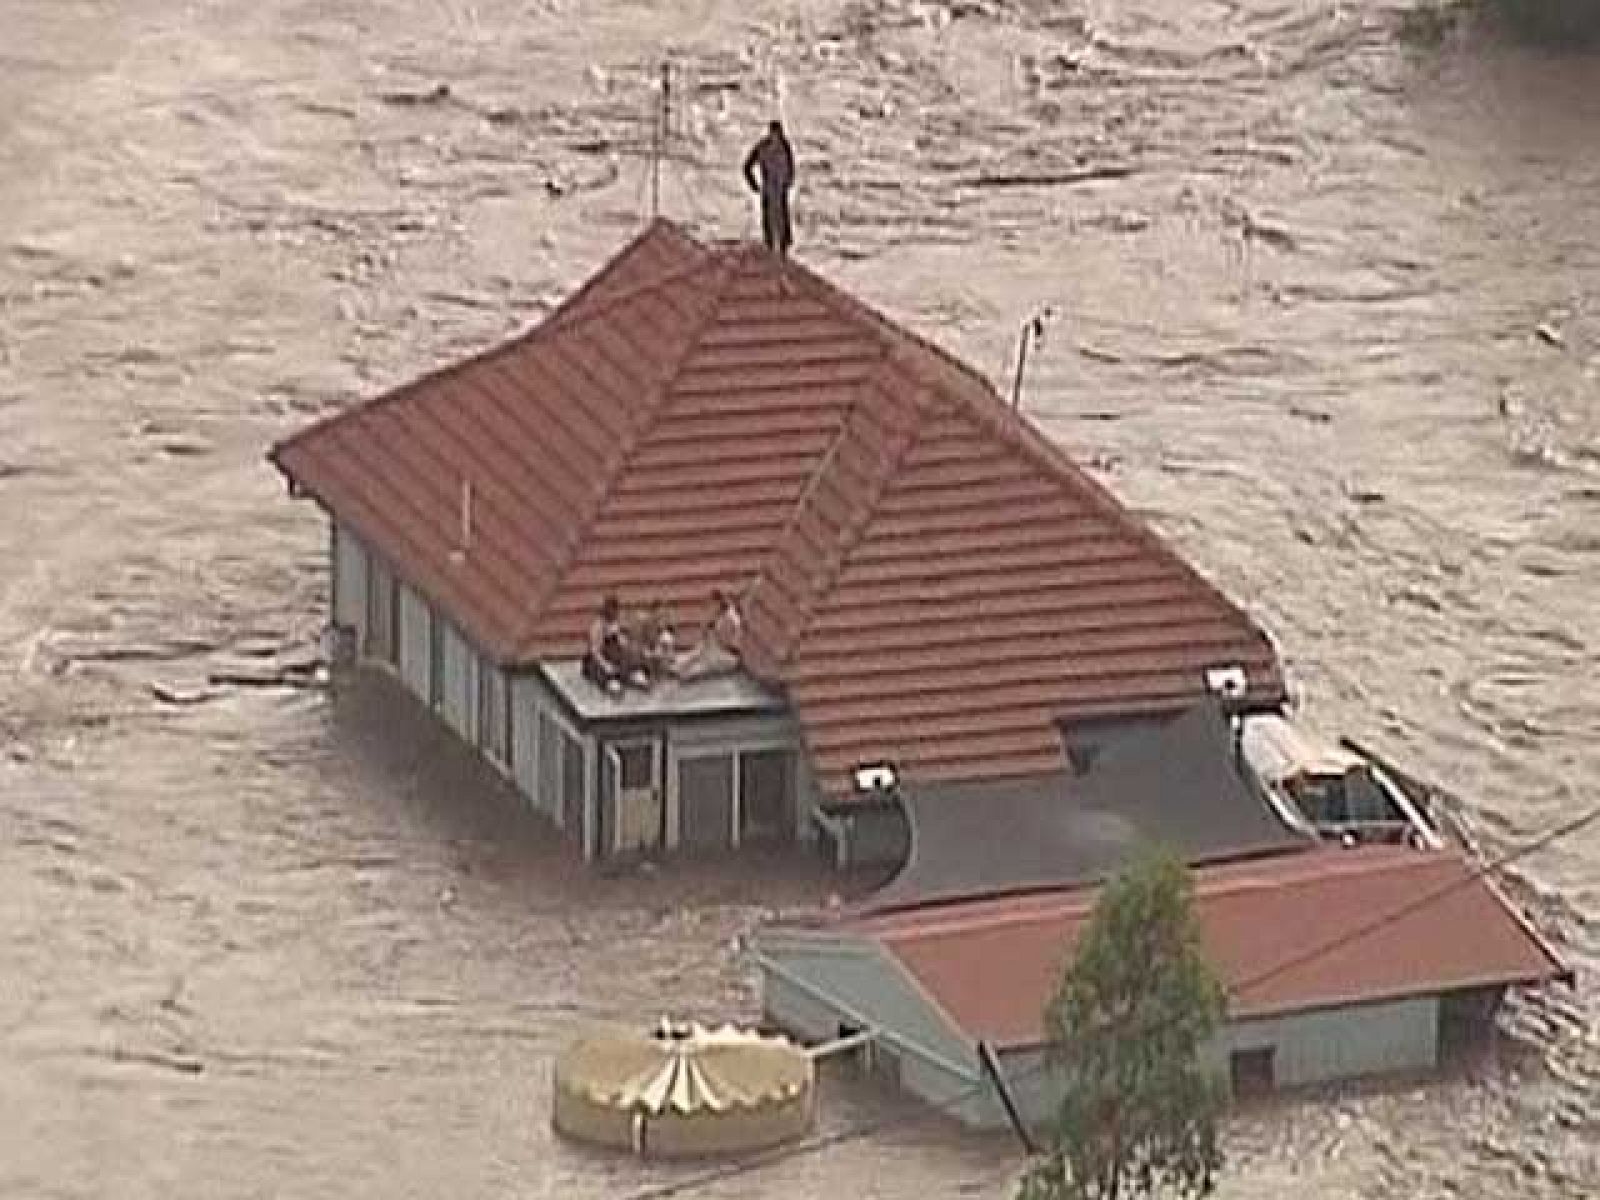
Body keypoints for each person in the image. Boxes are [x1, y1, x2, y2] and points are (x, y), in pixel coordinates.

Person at [742, 120, 795, 257]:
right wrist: (753, 184)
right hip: (768, 187)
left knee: (782, 216)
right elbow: (747, 166)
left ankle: (783, 248)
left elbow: (790, 165)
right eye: (774, 133)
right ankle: (770, 245)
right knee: (769, 217)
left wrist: (789, 181)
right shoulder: (762, 147)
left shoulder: (785, 146)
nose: (776, 136)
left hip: (781, 188)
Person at [583, 594, 647, 692]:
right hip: (600, 657)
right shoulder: (597, 626)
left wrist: (621, 638)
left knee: (630, 657)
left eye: (615, 609)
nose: (614, 613)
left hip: (615, 654)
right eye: (611, 610)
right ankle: (611, 682)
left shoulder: (616, 623)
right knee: (601, 670)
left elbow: (623, 643)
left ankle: (634, 675)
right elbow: (595, 651)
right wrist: (605, 665)